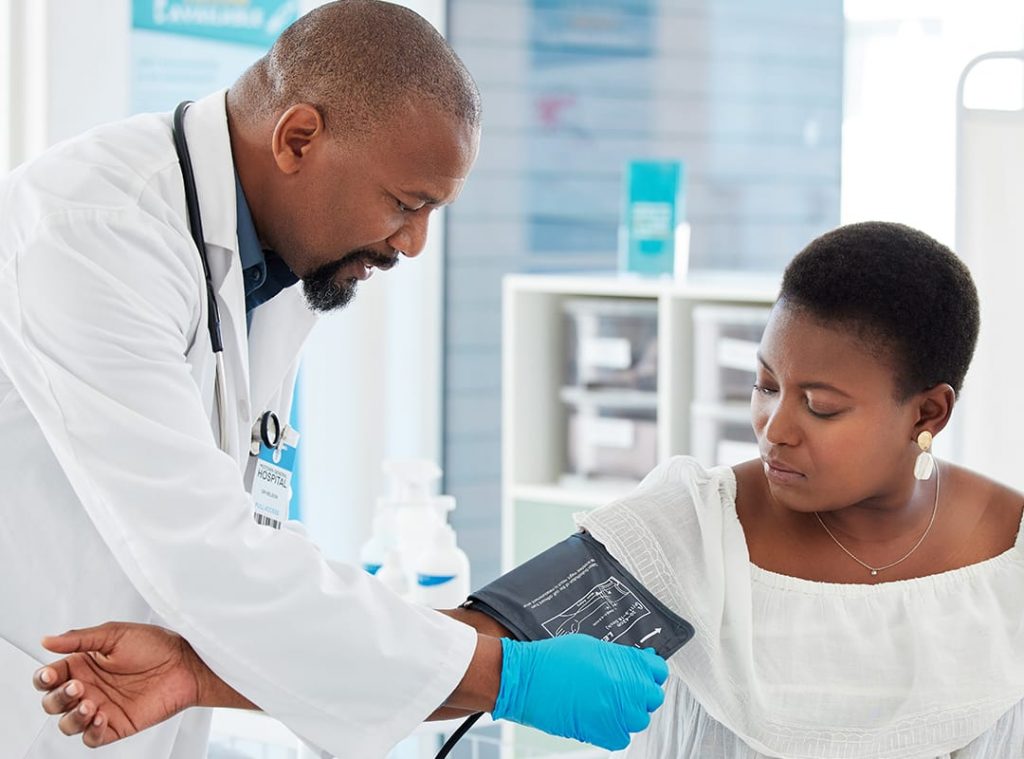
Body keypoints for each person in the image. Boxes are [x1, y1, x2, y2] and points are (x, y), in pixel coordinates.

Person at [38, 221, 1024, 757]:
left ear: (926, 413)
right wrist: (204, 674)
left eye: (820, 403)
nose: (773, 427)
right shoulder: (697, 528)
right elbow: (459, 648)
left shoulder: (1007, 552)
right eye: (764, 385)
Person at [0, 2, 670, 757]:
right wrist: (505, 673)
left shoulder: (272, 263)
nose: (414, 243)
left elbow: (241, 545)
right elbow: (215, 561)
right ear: (298, 138)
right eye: (405, 203)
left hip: (128, 710)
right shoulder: (92, 235)